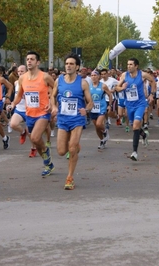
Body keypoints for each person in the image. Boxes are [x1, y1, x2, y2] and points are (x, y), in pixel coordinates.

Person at [9, 51, 55, 177]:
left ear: (38, 62)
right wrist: (13, 104)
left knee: (34, 138)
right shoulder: (22, 78)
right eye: (28, 59)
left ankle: (46, 152)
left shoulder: (44, 76)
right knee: (36, 142)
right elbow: (19, 96)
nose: (29, 61)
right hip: (30, 113)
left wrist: (52, 103)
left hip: (43, 113)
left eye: (32, 59)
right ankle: (48, 163)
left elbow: (56, 88)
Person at [51, 53, 93, 190]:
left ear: (77, 67)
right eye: (67, 63)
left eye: (71, 64)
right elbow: (52, 96)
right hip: (63, 119)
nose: (68, 66)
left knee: (72, 149)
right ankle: (74, 146)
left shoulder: (82, 83)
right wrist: (54, 107)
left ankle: (70, 177)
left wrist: (86, 111)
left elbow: (90, 103)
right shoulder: (59, 81)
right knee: (61, 151)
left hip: (77, 119)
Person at [116, 57, 156, 161]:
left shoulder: (142, 74)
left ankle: (134, 152)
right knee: (135, 127)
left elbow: (152, 81)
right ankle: (144, 135)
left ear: (136, 66)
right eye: (128, 64)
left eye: (130, 64)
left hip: (140, 104)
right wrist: (122, 88)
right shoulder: (124, 75)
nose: (128, 66)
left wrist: (152, 94)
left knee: (135, 125)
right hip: (129, 104)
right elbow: (117, 88)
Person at [89, 70, 112, 149]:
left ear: (98, 77)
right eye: (92, 75)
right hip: (93, 109)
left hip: (101, 107)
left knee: (99, 124)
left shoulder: (103, 86)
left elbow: (110, 95)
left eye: (95, 75)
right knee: (97, 127)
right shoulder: (88, 86)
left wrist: (110, 105)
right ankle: (102, 140)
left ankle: (105, 132)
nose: (93, 77)